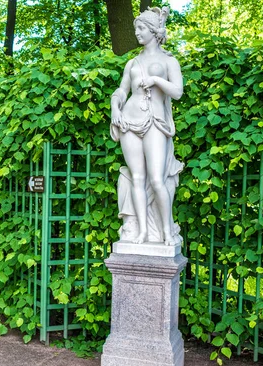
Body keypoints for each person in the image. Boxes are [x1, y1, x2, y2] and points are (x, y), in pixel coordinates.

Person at [110, 6, 184, 246]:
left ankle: (166, 231)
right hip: (129, 122)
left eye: (141, 28)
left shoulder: (168, 60)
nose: (137, 33)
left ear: (154, 30)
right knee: (137, 177)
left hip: (156, 121)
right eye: (136, 29)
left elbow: (178, 92)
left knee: (156, 179)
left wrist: (156, 80)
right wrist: (115, 107)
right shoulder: (131, 63)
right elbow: (122, 91)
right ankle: (142, 231)